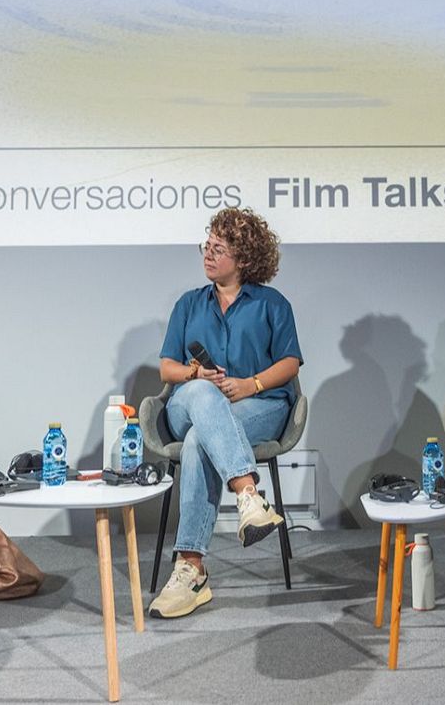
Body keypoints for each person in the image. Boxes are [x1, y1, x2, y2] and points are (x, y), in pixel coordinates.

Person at [148, 207, 303, 619]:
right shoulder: (188, 304)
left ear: (244, 259)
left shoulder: (272, 304)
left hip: (258, 407)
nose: (208, 254)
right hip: (188, 405)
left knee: (200, 440)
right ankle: (248, 494)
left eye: (219, 249)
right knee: (201, 395)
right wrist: (195, 374)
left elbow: (290, 363)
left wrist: (251, 384)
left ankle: (191, 570)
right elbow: (167, 369)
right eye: (208, 245)